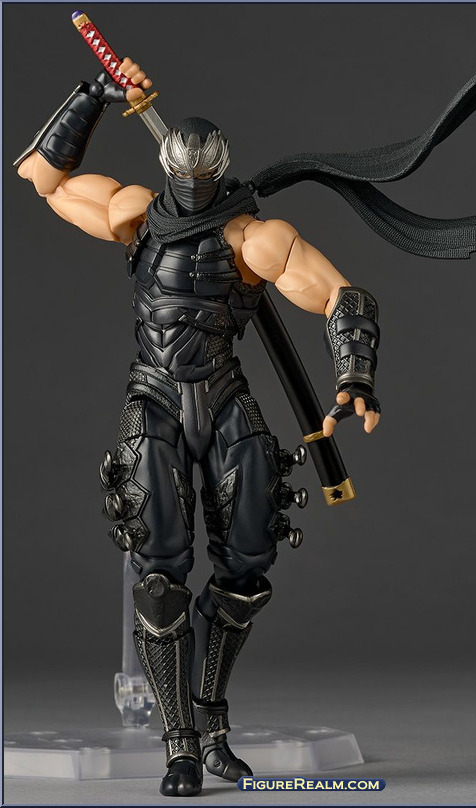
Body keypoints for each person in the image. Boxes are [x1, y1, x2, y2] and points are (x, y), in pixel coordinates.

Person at [16, 58, 381, 797]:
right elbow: (42, 178)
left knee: (246, 567)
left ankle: (212, 726)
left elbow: (340, 293)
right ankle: (179, 744)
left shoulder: (254, 239)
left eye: (200, 175)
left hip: (222, 396)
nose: (190, 186)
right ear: (169, 168)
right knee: (158, 573)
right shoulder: (133, 214)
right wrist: (93, 96)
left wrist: (355, 376)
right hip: (153, 396)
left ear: (217, 170)